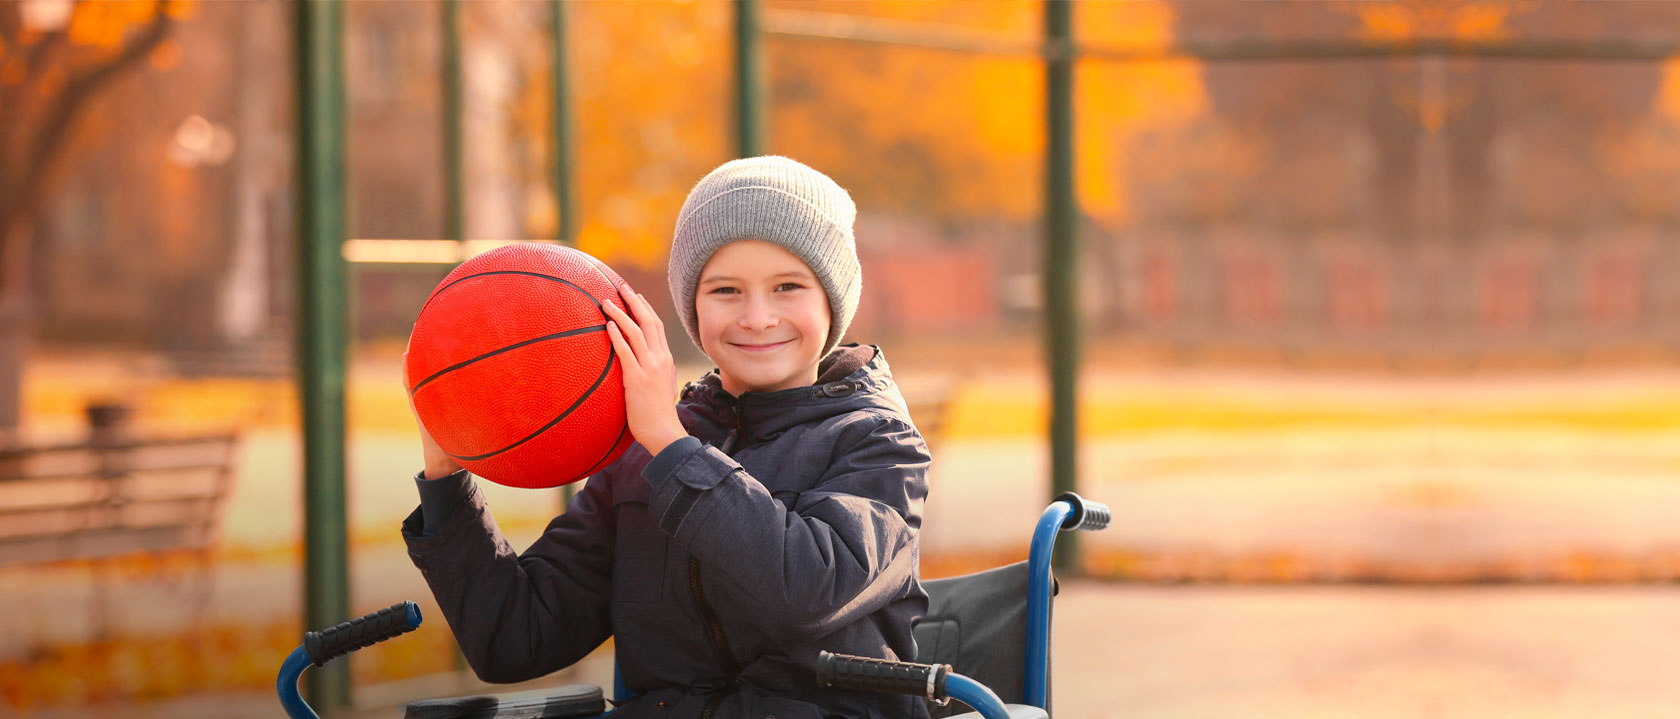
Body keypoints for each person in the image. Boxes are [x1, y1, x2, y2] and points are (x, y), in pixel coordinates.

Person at [401, 156, 932, 719]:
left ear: (832, 300)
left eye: (787, 286)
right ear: (690, 307)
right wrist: (446, 478)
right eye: (725, 290)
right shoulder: (645, 453)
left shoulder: (878, 444)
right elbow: (515, 639)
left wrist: (673, 449)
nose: (757, 316)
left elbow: (806, 593)